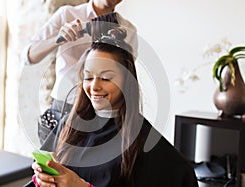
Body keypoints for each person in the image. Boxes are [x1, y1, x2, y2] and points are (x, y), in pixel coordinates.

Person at [28, 28, 198, 187]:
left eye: (106, 78)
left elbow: (183, 175)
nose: (94, 86)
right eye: (88, 77)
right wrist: (43, 178)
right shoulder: (70, 125)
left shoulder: (143, 141)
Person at [24, 0, 138, 143]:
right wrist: (58, 39)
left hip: (103, 113)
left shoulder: (128, 30)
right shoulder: (67, 14)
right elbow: (28, 56)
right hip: (63, 107)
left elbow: (126, 76)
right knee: (50, 163)